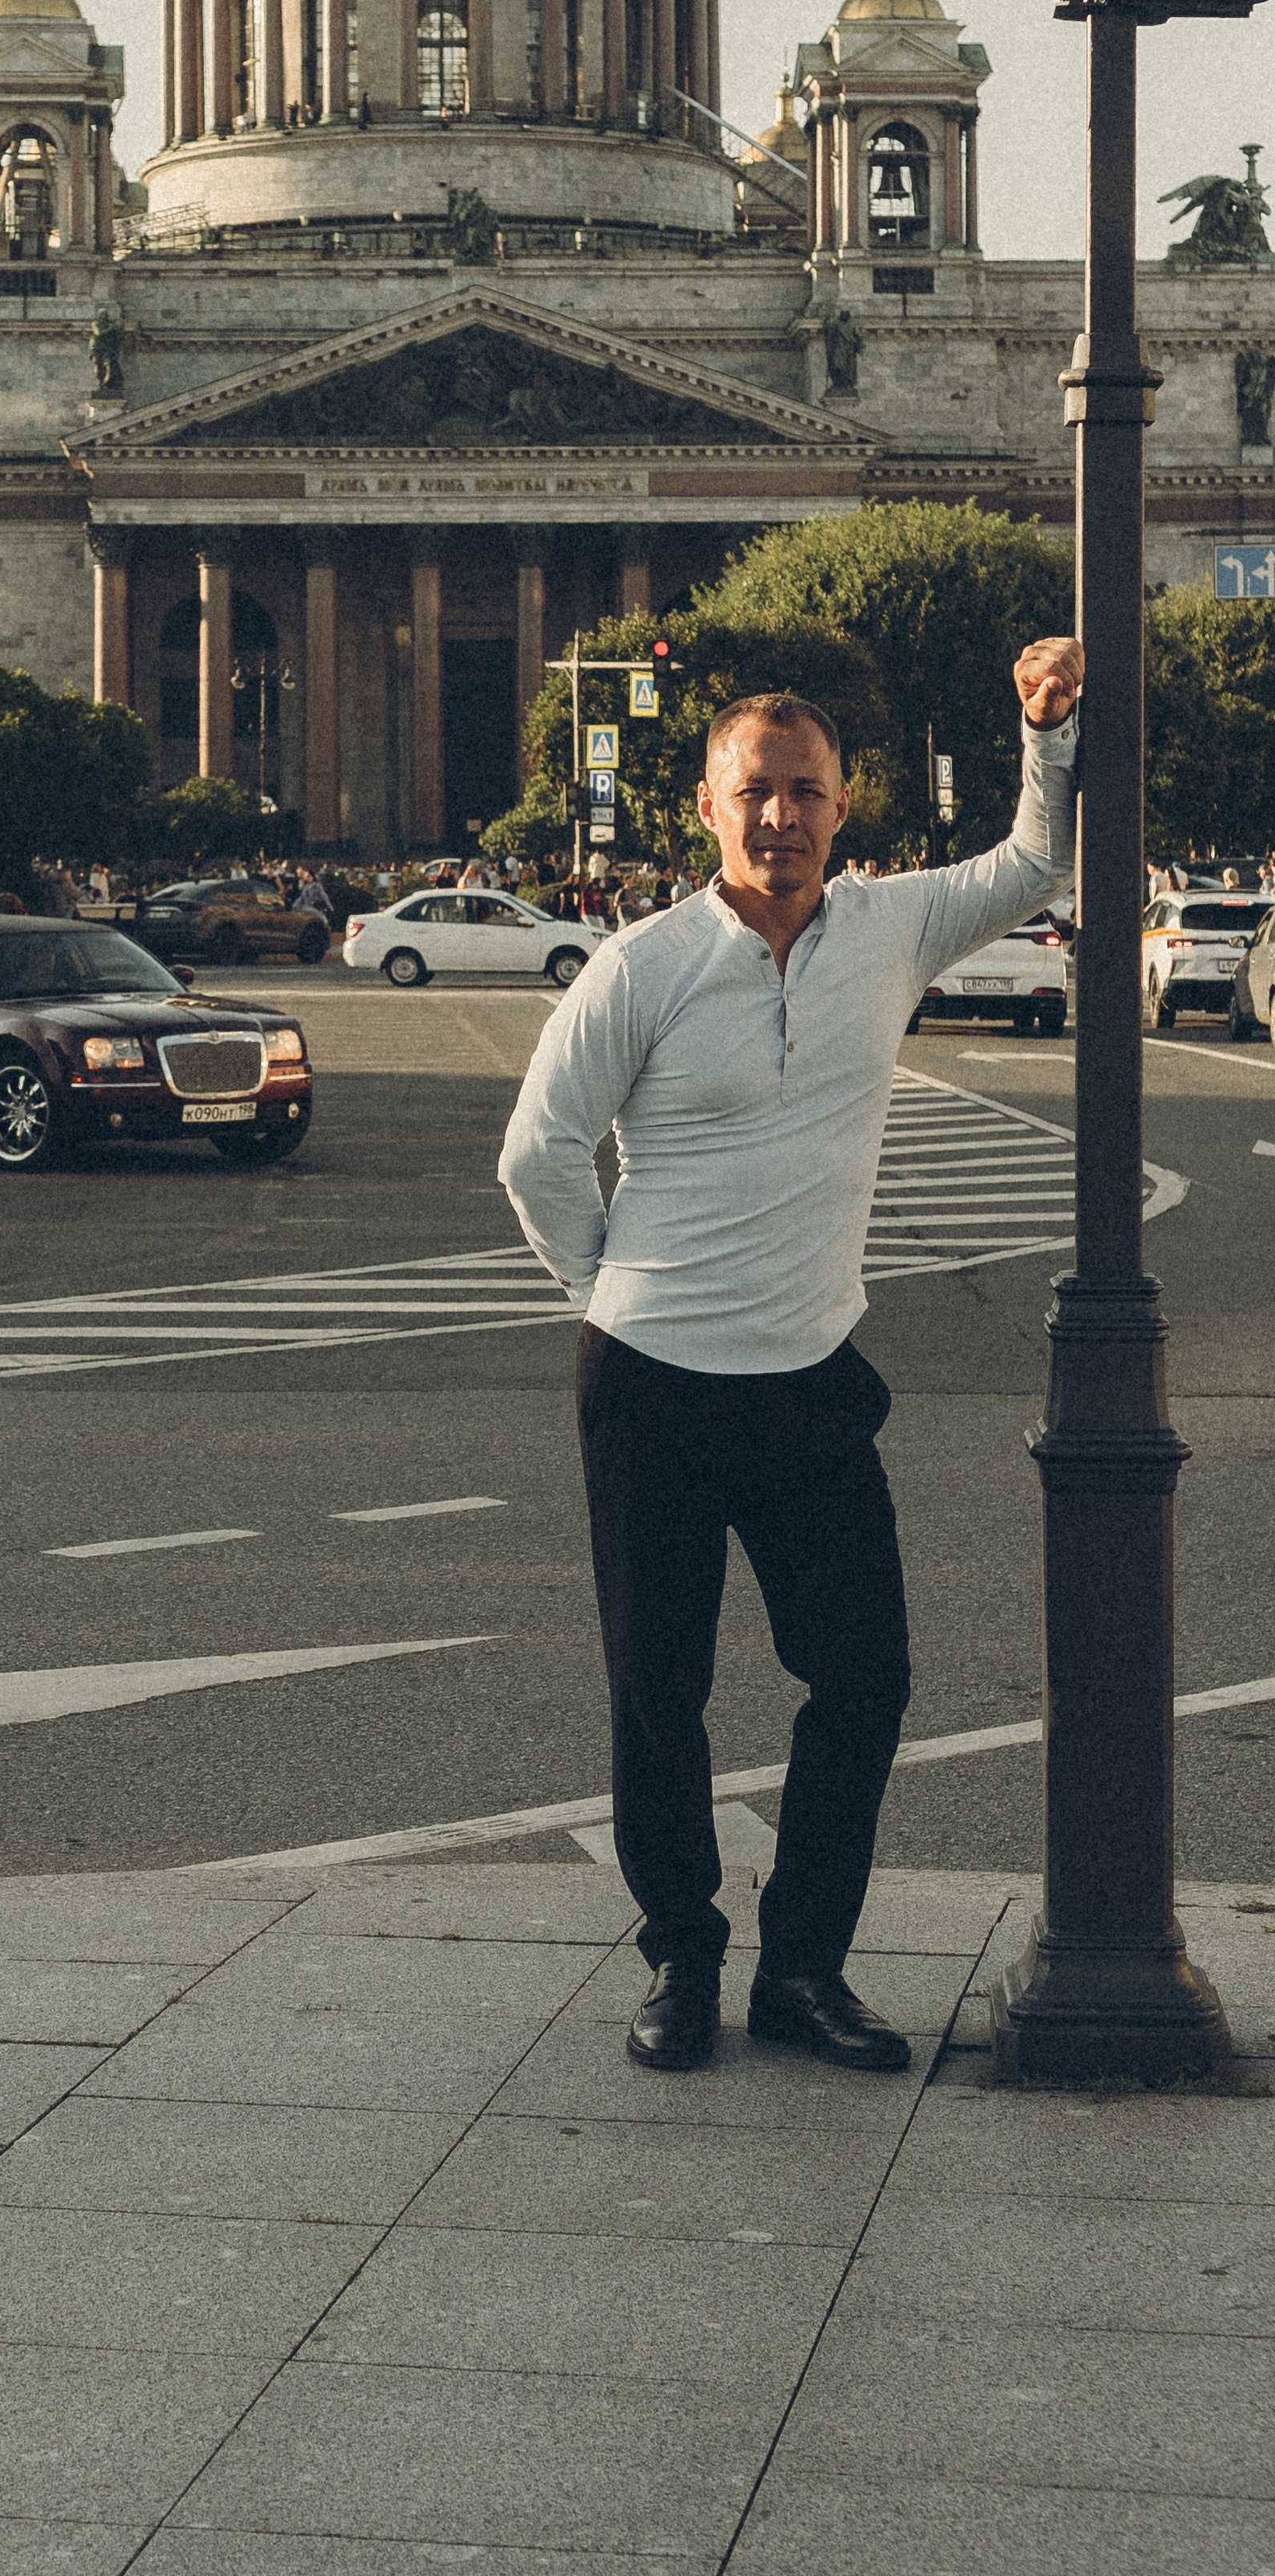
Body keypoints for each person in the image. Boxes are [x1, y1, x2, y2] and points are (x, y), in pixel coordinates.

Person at [498, 638, 1082, 2078]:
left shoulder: (889, 930)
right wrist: (612, 1289)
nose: (782, 818)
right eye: (755, 792)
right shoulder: (645, 964)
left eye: (806, 794)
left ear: (843, 806)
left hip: (812, 1379)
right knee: (661, 1693)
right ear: (706, 809)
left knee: (865, 1679)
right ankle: (683, 1961)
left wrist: (1043, 731)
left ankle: (804, 1968)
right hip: (652, 1383)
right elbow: (538, 1151)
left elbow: (1032, 864)